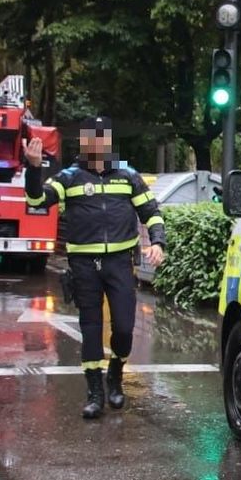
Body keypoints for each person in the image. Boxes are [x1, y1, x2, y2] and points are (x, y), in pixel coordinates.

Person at [24, 116, 166, 419]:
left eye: (103, 139)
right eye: (92, 139)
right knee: (90, 330)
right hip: (84, 265)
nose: (98, 145)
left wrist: (158, 242)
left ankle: (115, 374)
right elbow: (36, 200)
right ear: (85, 143)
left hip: (119, 263)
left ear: (110, 143)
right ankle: (94, 392)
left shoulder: (128, 176)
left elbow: (151, 213)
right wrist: (34, 168)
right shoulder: (69, 178)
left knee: (125, 328)